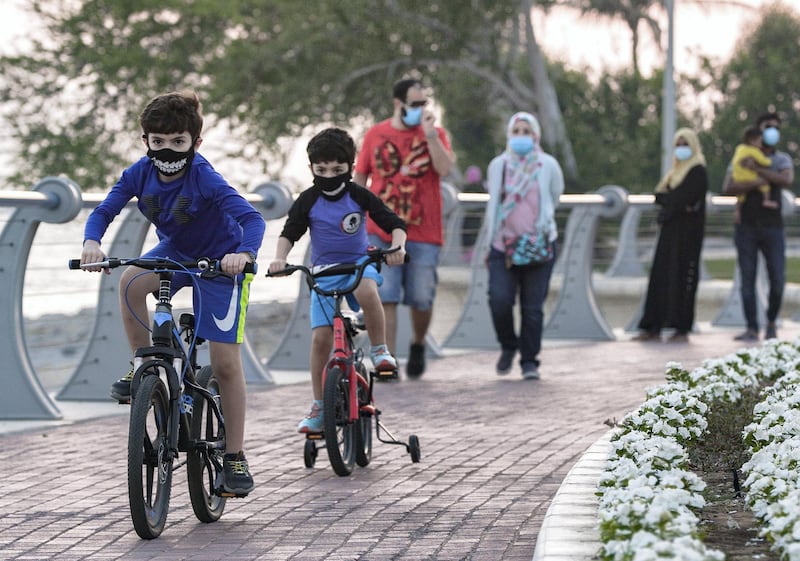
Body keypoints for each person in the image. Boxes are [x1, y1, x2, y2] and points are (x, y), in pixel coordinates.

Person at [79, 90, 264, 496]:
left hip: (219, 263)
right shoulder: (138, 173)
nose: (167, 150)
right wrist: (92, 242)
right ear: (145, 140)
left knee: (225, 363)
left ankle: (234, 456)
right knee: (129, 282)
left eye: (177, 142)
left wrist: (244, 254)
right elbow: (103, 211)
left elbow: (252, 219)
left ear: (195, 144)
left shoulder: (204, 176)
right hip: (177, 253)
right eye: (157, 142)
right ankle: (142, 365)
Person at [268, 128, 407, 433]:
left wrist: (398, 247)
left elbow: (393, 223)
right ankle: (319, 405)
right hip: (324, 272)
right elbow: (290, 232)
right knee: (321, 340)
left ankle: (380, 349)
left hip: (359, 263)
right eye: (321, 170)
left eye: (337, 170)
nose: (329, 175)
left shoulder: (357, 194)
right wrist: (279, 259)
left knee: (368, 291)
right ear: (311, 169)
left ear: (351, 168)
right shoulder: (308, 200)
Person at [353, 78, 455, 379]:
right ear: (398, 103)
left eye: (425, 103)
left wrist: (429, 135)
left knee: (422, 297)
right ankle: (389, 360)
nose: (421, 109)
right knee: (387, 296)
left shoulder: (435, 134)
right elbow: (360, 177)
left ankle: (419, 343)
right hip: (380, 228)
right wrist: (353, 217)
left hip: (424, 231)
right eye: (415, 104)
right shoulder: (376, 134)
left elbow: (445, 169)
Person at [484, 112, 564, 380]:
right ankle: (509, 345)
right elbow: (494, 200)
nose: (520, 136)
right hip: (502, 245)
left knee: (532, 308)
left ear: (536, 135)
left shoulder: (547, 164)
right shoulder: (499, 165)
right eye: (515, 131)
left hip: (538, 245)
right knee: (499, 300)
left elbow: (555, 194)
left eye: (526, 131)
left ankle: (529, 360)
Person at [632, 128, 708, 343]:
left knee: (683, 277)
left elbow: (680, 199)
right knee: (661, 276)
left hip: (687, 236)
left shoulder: (697, 170)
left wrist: (671, 201)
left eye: (686, 144)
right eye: (679, 144)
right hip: (670, 232)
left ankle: (681, 327)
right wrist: (672, 201)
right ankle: (653, 326)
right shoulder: (675, 171)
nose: (682, 149)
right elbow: (665, 197)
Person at [723, 112, 794, 342]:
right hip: (747, 226)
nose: (772, 131)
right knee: (747, 279)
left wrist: (757, 169)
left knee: (778, 280)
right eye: (767, 127)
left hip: (773, 227)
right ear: (758, 131)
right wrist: (756, 180)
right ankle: (752, 327)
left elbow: (786, 180)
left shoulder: (781, 158)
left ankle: (771, 322)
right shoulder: (741, 154)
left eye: (776, 127)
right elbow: (728, 187)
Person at [732, 126, 775, 220]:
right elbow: (764, 161)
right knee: (764, 184)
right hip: (748, 176)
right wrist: (769, 161)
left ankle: (737, 211)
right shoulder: (754, 151)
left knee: (741, 195)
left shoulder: (740, 148)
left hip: (737, 176)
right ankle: (766, 200)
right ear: (752, 141)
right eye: (760, 141)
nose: (761, 144)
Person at [460, 165, 486, 263]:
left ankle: (468, 255)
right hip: (478, 217)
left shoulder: (467, 187)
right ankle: (473, 255)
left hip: (469, 217)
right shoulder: (482, 187)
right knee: (475, 236)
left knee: (467, 236)